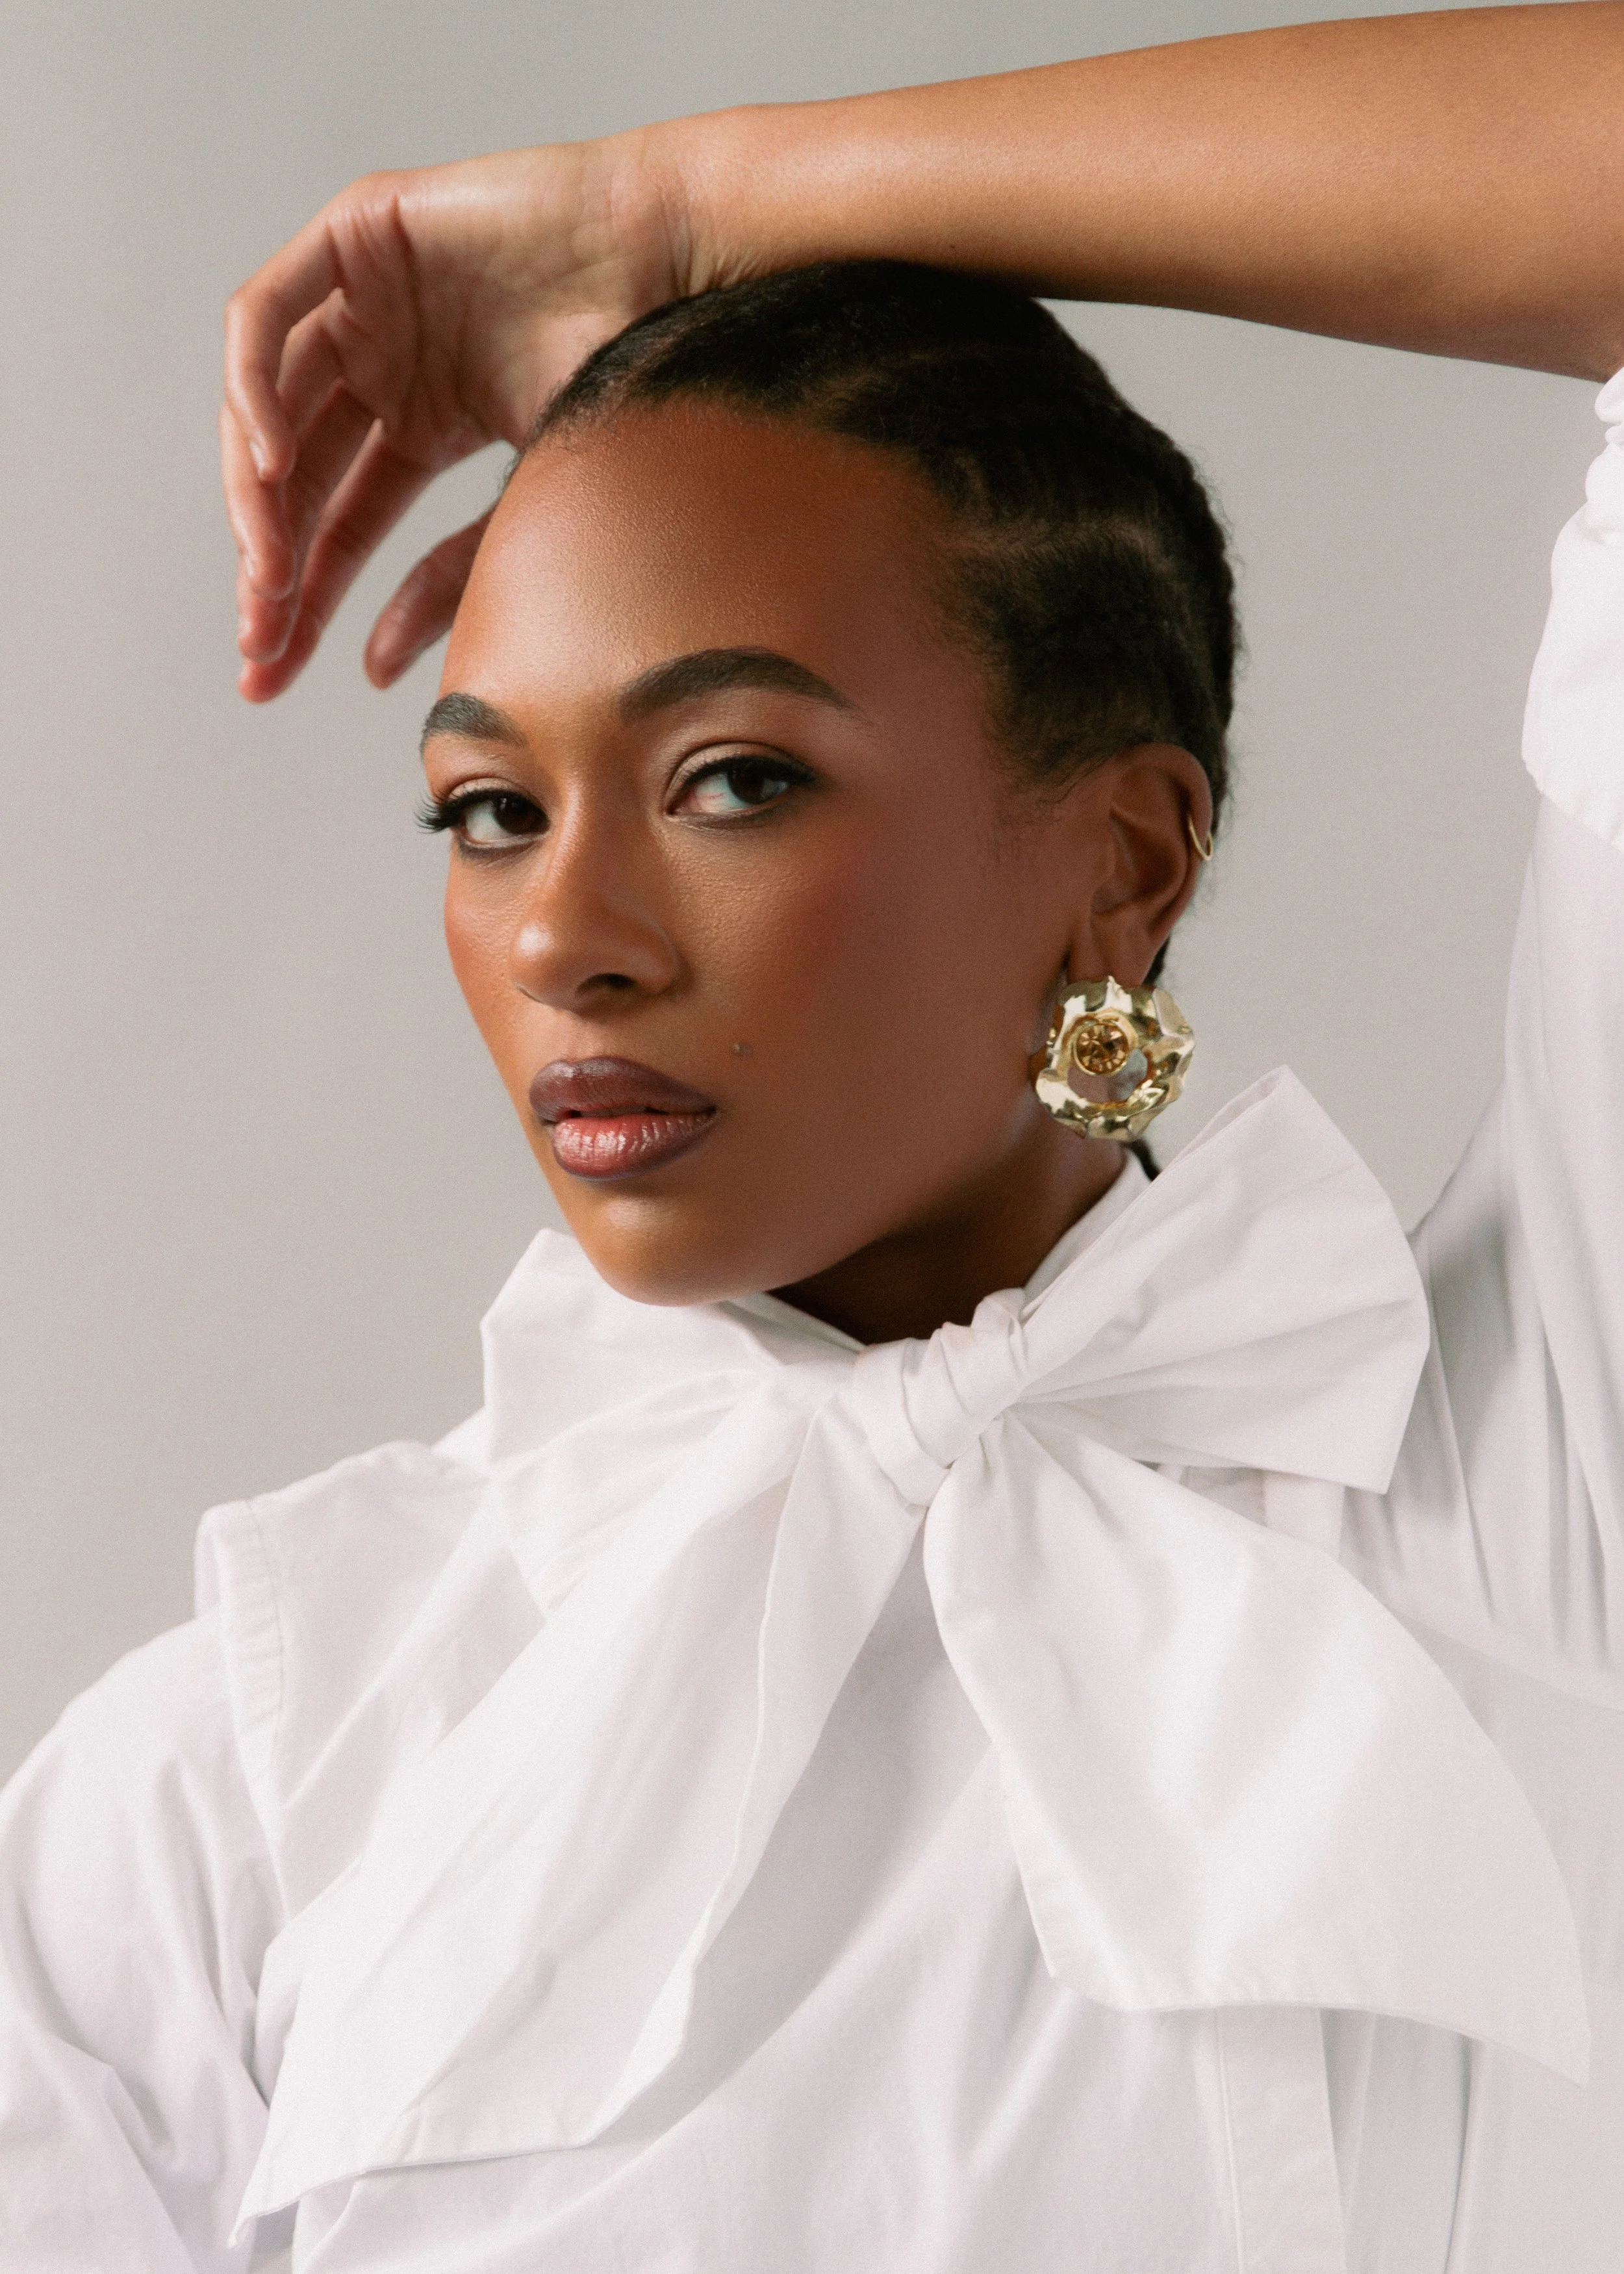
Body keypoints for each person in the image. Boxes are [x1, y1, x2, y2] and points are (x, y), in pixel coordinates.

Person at [5, 7, 1623, 2268]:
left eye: (733, 778)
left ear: (1125, 865)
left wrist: (684, 209)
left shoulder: (1529, 1483)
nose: (565, 929)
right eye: (489, 808)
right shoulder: (251, 1763)